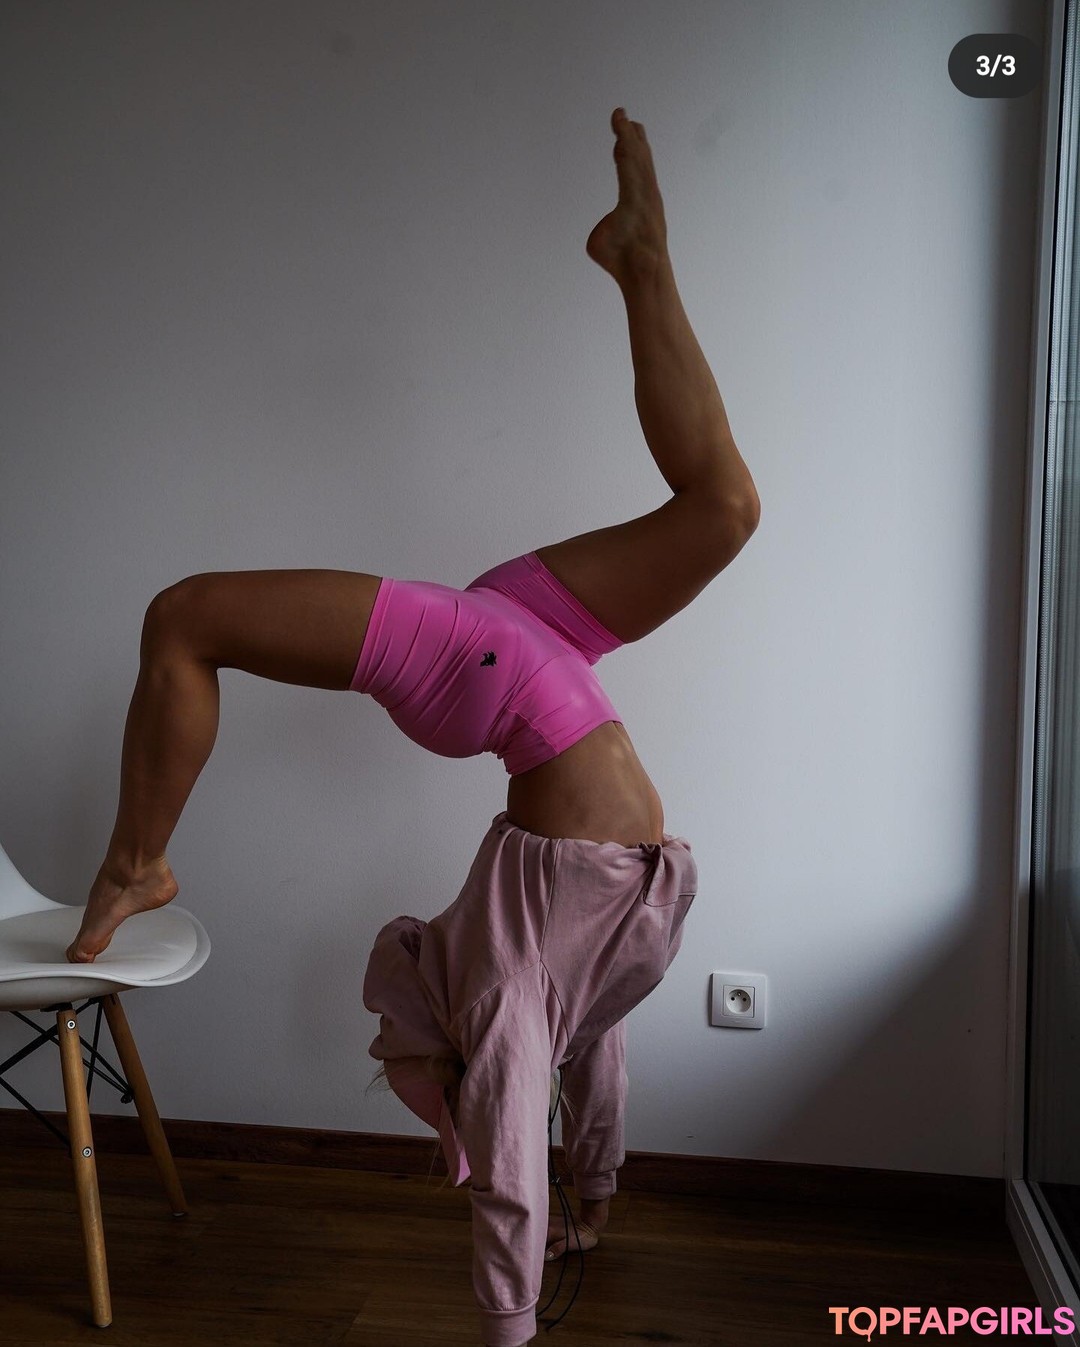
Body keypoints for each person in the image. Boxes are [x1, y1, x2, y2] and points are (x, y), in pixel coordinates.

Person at [64, 108, 760, 1347]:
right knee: (724, 509)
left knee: (183, 619)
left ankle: (138, 860)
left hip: (508, 674)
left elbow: (510, 1160)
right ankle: (641, 264)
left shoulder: (509, 996)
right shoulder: (558, 997)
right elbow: (584, 1075)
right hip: (524, 669)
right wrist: (594, 1196)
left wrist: (514, 1312)